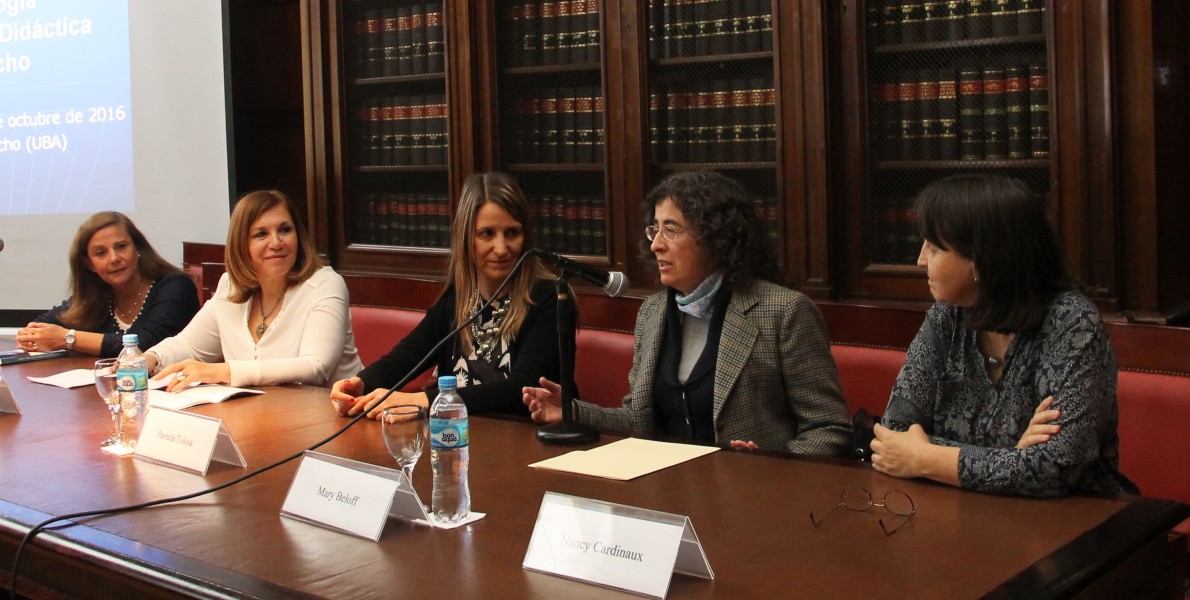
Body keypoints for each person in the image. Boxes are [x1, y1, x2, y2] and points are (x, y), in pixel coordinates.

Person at [523, 171, 852, 456]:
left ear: (716, 237)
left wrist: (770, 465)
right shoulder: (653, 313)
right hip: (666, 491)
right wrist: (571, 410)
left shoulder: (784, 312)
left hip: (754, 501)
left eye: (672, 229)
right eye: (655, 229)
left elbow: (828, 429)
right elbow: (639, 420)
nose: (656, 244)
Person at [871, 174, 1138, 498]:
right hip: (969, 515)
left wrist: (926, 457)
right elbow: (892, 437)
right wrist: (1013, 456)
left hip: (1079, 523)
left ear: (982, 260)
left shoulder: (1071, 322)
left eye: (935, 248)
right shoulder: (946, 317)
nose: (920, 260)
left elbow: (1057, 468)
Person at [329, 172, 572, 419]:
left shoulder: (550, 298)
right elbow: (403, 360)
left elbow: (521, 390)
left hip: (530, 444)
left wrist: (425, 400)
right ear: (466, 238)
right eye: (487, 234)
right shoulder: (458, 298)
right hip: (458, 441)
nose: (501, 248)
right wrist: (358, 385)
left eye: (512, 233)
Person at [145, 190, 362, 389]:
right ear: (241, 244)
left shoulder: (325, 283)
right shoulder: (230, 286)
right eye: (261, 234)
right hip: (259, 418)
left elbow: (316, 367)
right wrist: (149, 358)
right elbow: (189, 345)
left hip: (331, 420)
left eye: (285, 230)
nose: (276, 242)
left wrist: (227, 371)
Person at [15, 212, 199, 358]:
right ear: (89, 264)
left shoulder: (175, 286)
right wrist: (31, 337)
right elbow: (40, 326)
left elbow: (141, 346)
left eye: (121, 247)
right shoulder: (99, 295)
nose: (114, 259)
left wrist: (68, 339)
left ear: (137, 248)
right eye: (101, 253)